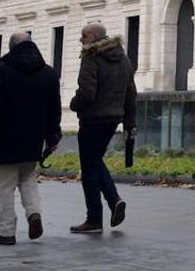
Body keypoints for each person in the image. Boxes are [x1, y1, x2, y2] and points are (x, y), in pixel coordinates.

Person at [0, 32, 61, 246]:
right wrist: (53, 135)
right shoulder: (49, 74)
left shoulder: (1, 70)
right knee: (28, 178)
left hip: (4, 137)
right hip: (33, 138)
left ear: (11, 47)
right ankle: (34, 213)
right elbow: (54, 109)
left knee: (4, 185)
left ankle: (7, 232)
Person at [68, 22, 137, 233]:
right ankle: (114, 201)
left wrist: (74, 104)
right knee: (95, 162)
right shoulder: (124, 59)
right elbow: (130, 95)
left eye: (84, 35)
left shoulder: (91, 57)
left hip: (92, 120)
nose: (81, 40)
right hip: (113, 119)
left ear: (96, 37)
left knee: (89, 169)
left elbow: (87, 92)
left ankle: (94, 219)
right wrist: (129, 123)